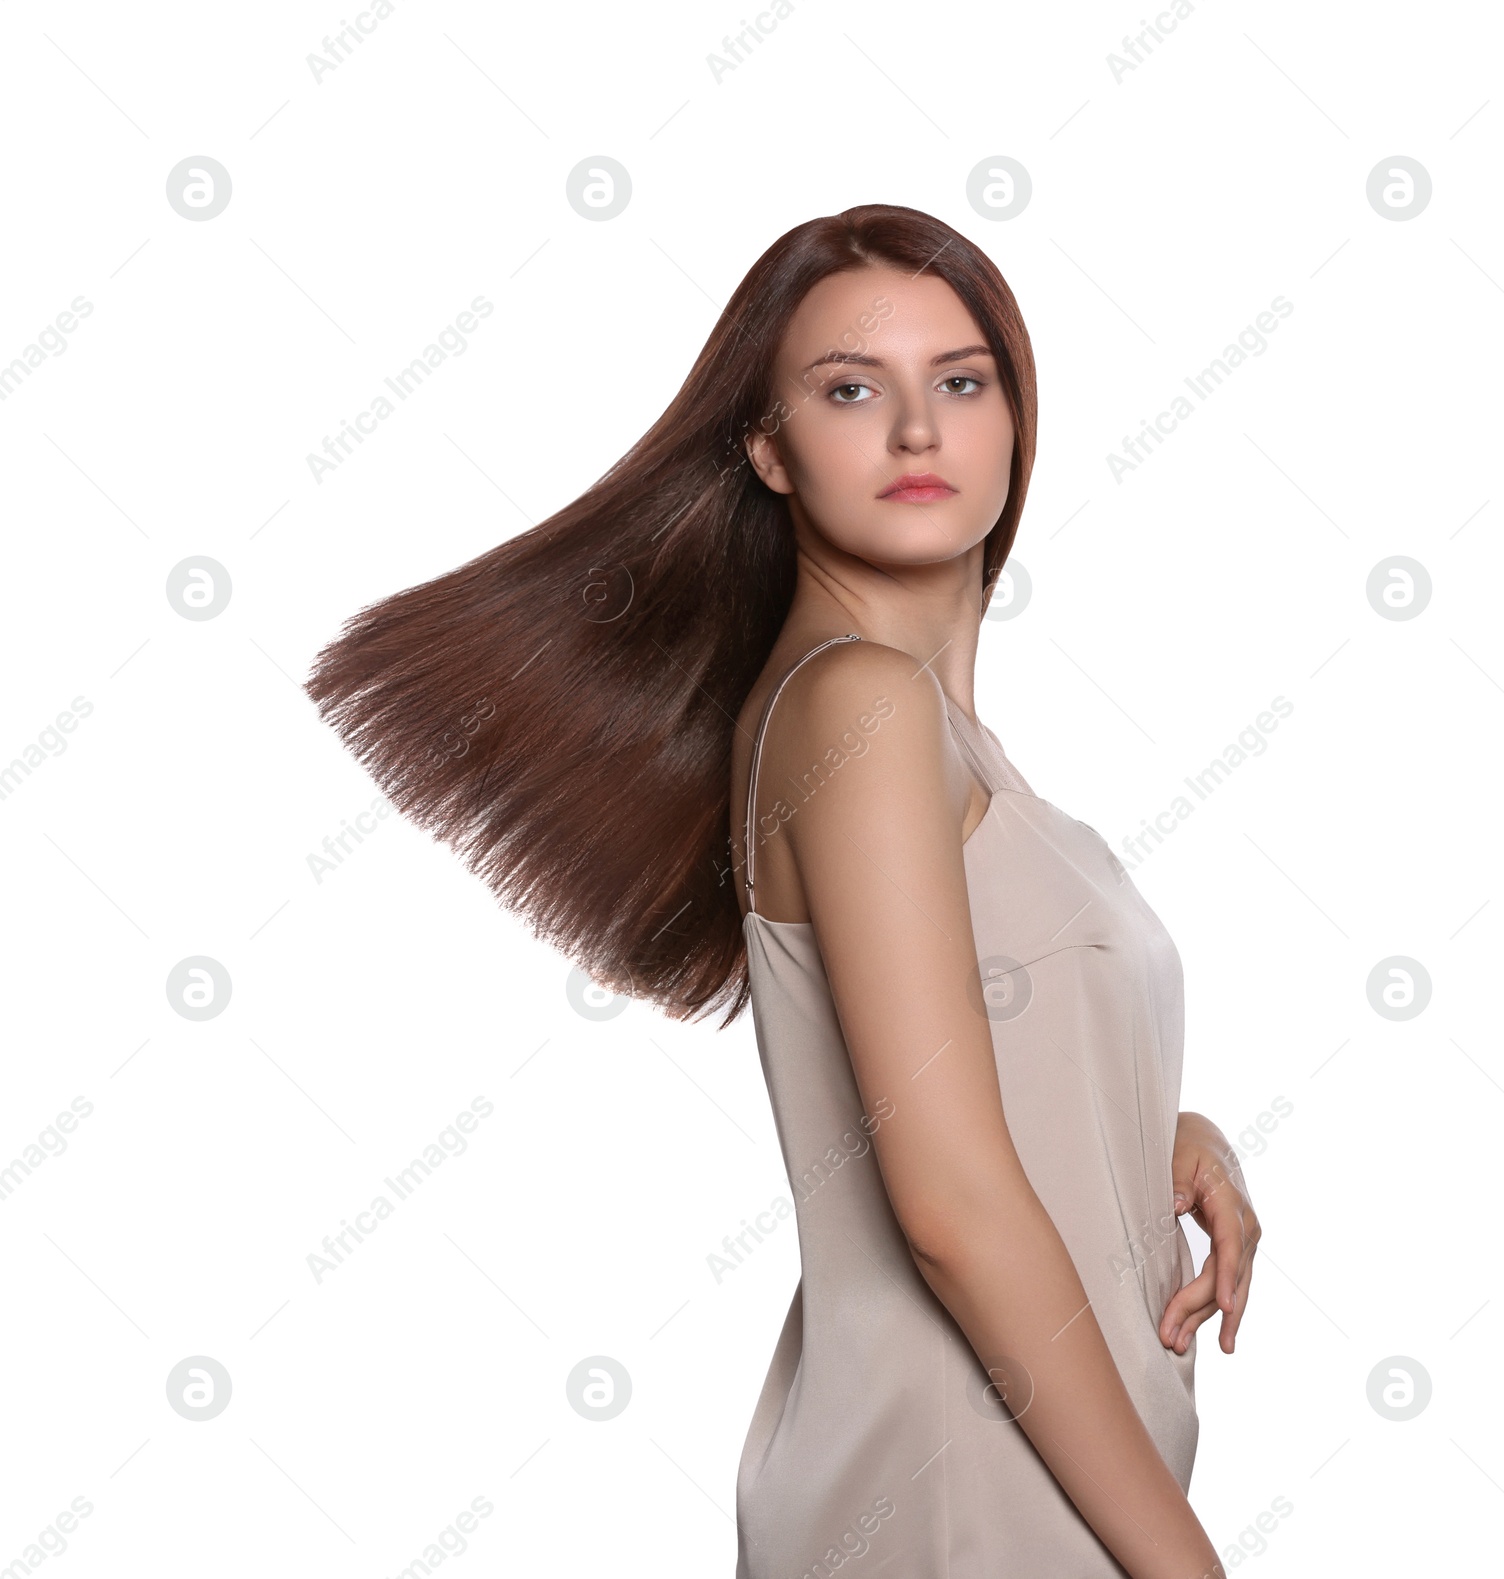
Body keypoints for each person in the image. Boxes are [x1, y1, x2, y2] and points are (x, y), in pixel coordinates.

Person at [304, 203, 1261, 1578]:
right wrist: (1187, 1567)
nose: (918, 430)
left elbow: (981, 1076)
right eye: (853, 389)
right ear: (769, 447)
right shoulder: (858, 712)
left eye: (962, 380)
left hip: (1019, 1486)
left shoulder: (925, 736)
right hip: (958, 1497)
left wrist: (1174, 1134)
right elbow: (948, 1205)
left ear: (1014, 418)